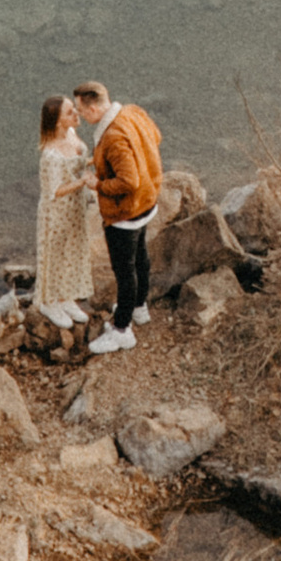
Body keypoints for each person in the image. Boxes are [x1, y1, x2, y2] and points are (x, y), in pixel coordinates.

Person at [74, 79, 161, 354]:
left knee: (125, 271)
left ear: (94, 107)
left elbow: (128, 181)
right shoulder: (131, 112)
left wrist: (97, 184)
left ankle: (122, 329)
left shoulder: (111, 137)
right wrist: (102, 161)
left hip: (126, 213)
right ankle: (139, 307)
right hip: (147, 202)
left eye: (82, 110)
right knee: (141, 257)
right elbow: (155, 137)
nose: (80, 116)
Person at [34, 94, 105, 328]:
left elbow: (77, 163)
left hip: (75, 207)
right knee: (55, 256)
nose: (77, 113)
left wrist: (98, 160)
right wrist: (84, 182)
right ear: (57, 122)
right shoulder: (50, 154)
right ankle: (48, 301)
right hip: (56, 211)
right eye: (70, 113)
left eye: (75, 109)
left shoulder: (72, 135)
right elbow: (55, 190)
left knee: (73, 252)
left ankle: (66, 297)